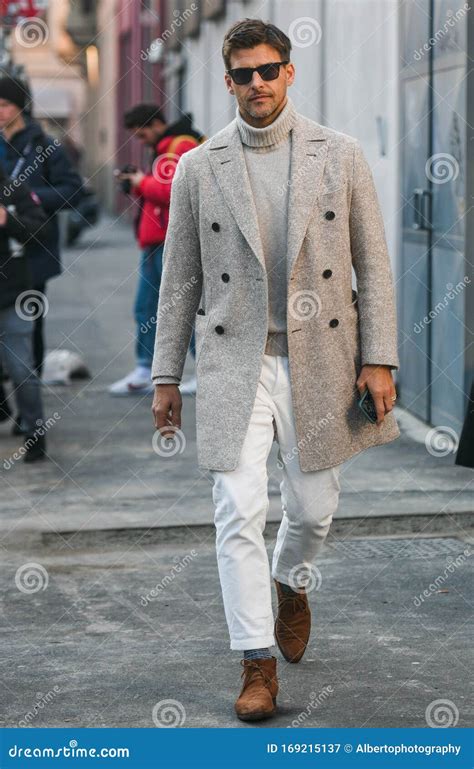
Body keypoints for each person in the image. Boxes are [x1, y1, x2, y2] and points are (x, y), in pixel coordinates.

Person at [151, 18, 400, 721]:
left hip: (322, 357)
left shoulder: (339, 153)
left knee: (314, 508)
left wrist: (380, 358)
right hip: (236, 360)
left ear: (289, 72)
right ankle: (256, 661)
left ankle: (291, 579)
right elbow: (179, 280)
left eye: (268, 70)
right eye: (243, 74)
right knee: (236, 508)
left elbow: (373, 263)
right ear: (228, 81)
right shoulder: (200, 166)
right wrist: (165, 375)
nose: (257, 83)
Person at [109, 104, 204, 397]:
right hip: (155, 242)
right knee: (147, 307)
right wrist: (138, 183)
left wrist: (141, 182)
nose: (141, 141)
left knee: (179, 307)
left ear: (156, 125)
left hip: (171, 242)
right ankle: (145, 369)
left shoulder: (180, 146)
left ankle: (205, 370)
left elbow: (176, 191)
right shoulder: (165, 148)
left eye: (142, 134)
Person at [0, 76, 83, 387]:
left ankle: (28, 395)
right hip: (2, 249)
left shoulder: (44, 146)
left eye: (5, 104)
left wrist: (31, 197)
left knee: (29, 324)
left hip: (33, 246)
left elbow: (73, 190)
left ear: (21, 107)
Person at [0, 160, 48, 461]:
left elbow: (40, 231)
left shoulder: (14, 190)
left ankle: (34, 431)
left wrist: (8, 220)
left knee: (21, 369)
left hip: (13, 294)